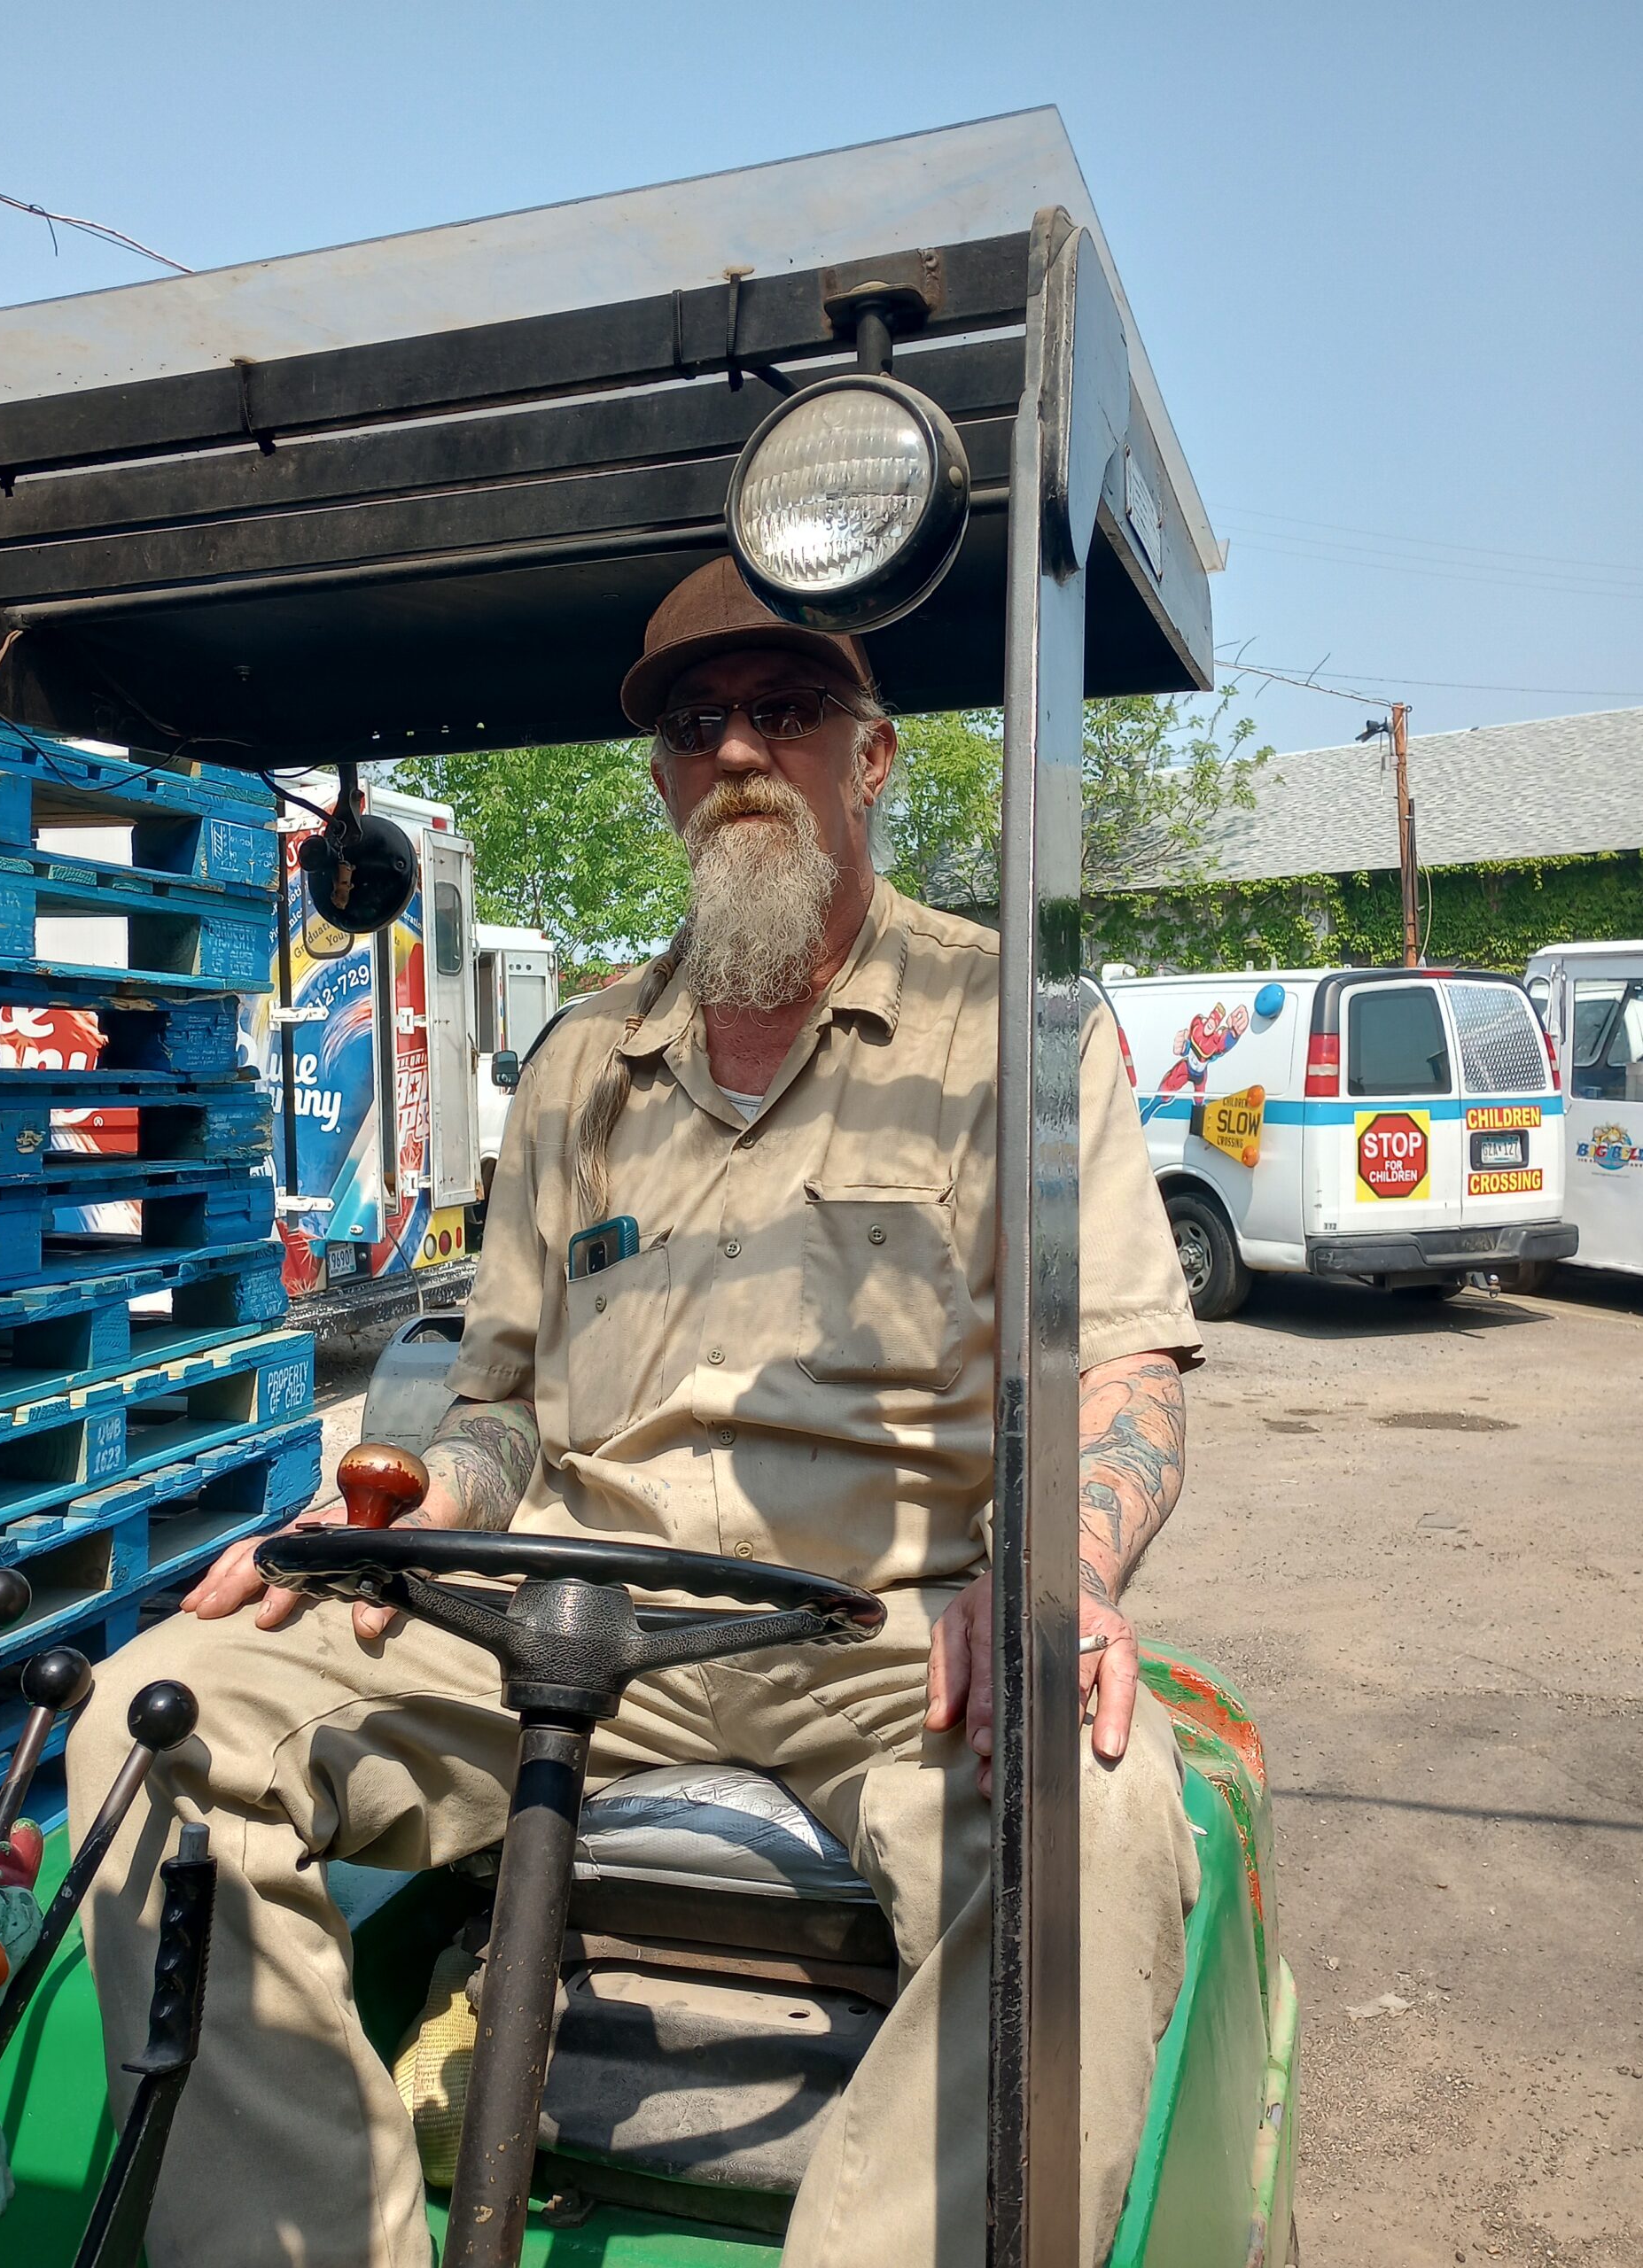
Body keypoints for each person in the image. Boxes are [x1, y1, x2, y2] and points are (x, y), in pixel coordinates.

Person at [68, 557, 1203, 2268]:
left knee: (1100, 1809)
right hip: (570, 1611)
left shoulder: (1015, 1035)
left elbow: (1123, 1369)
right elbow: (505, 1418)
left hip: (895, 1636)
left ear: (872, 754)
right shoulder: (583, 1067)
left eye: (787, 709)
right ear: (665, 779)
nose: (740, 746)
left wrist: (1057, 1568)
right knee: (149, 1722)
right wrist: (387, 1522)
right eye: (696, 723)